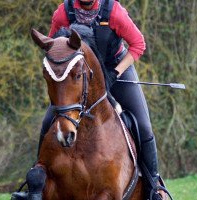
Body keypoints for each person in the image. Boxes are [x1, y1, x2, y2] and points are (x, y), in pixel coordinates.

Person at [12, 0, 169, 199]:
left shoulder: (113, 12)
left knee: (143, 125)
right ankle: (34, 184)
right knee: (48, 122)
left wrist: (115, 72)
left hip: (116, 68)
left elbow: (138, 44)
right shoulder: (64, 12)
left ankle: (153, 186)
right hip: (77, 74)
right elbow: (54, 47)